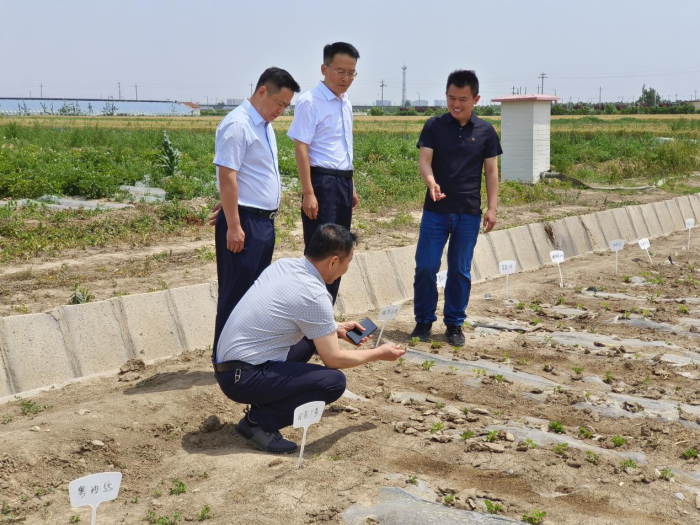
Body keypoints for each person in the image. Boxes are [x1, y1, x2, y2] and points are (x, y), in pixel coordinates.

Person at [214, 224, 405, 453]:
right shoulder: (315, 294)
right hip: (242, 379)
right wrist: (378, 353)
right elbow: (333, 360)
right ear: (333, 262)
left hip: (229, 367)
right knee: (333, 382)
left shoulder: (285, 266)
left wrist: (335, 328)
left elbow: (290, 312)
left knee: (310, 341)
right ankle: (258, 423)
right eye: (348, 262)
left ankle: (264, 401)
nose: (347, 268)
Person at [211, 67, 300, 357]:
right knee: (235, 294)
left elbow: (249, 175)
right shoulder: (238, 124)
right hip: (245, 224)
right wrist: (234, 223)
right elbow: (227, 176)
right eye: (279, 103)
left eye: (286, 106)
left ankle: (245, 355)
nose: (281, 111)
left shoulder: (264, 126)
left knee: (254, 297)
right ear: (262, 91)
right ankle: (224, 359)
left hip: (262, 222)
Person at [411, 70, 502, 347]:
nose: (456, 104)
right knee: (426, 266)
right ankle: (423, 320)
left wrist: (492, 208)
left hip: (468, 212)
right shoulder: (434, 126)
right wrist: (431, 182)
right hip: (435, 211)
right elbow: (425, 160)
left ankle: (454, 323)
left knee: (460, 270)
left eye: (463, 99)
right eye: (451, 98)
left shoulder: (485, 131)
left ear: (476, 99)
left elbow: (491, 172)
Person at [287, 42, 360, 303]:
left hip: (343, 182)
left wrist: (351, 185)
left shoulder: (345, 103)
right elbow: (302, 148)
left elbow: (343, 146)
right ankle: (311, 312)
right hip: (322, 183)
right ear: (324, 68)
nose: (346, 78)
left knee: (341, 250)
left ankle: (326, 312)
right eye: (340, 71)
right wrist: (308, 192)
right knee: (321, 253)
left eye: (351, 73)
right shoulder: (310, 101)